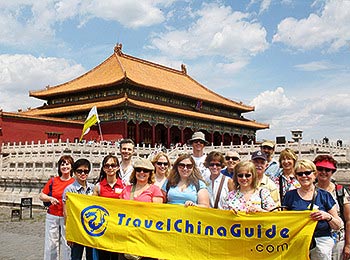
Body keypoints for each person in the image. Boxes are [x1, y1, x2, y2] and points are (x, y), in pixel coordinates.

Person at [283, 159, 342, 260]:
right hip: (298, 242)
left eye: (307, 173)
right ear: (296, 176)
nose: (304, 176)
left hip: (321, 241)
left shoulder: (325, 196)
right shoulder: (289, 196)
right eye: (300, 174)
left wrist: (327, 217)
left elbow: (338, 225)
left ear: (314, 174)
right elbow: (284, 221)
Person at [119, 158, 163, 260]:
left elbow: (157, 213)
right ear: (135, 172)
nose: (142, 173)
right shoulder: (127, 189)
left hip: (146, 235)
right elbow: (119, 209)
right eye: (139, 170)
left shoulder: (155, 190)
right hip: (128, 235)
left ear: (150, 174)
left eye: (145, 170)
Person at [313, 155, 350, 260]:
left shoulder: (340, 192)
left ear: (332, 172)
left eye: (327, 169)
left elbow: (348, 220)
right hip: (317, 241)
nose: (323, 172)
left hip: (338, 240)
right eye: (320, 169)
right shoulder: (310, 191)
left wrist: (348, 245)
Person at [39, 155, 75, 260]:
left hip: (67, 217)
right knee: (51, 244)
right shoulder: (53, 181)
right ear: (59, 167)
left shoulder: (74, 182)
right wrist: (50, 199)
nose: (65, 166)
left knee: (67, 243)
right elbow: (42, 195)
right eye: (62, 164)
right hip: (52, 216)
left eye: (67, 164)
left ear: (71, 167)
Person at [93, 154, 124, 260]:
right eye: (107, 165)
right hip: (103, 227)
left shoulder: (125, 186)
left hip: (118, 225)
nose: (110, 168)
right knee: (103, 255)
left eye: (113, 165)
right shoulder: (98, 187)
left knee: (117, 256)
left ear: (118, 167)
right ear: (103, 168)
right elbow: (93, 206)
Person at [63, 158, 95, 260]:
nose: (82, 174)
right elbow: (66, 213)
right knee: (76, 257)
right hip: (76, 230)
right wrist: (69, 234)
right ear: (75, 173)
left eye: (85, 171)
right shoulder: (69, 190)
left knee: (91, 256)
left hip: (90, 230)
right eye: (79, 171)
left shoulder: (93, 188)